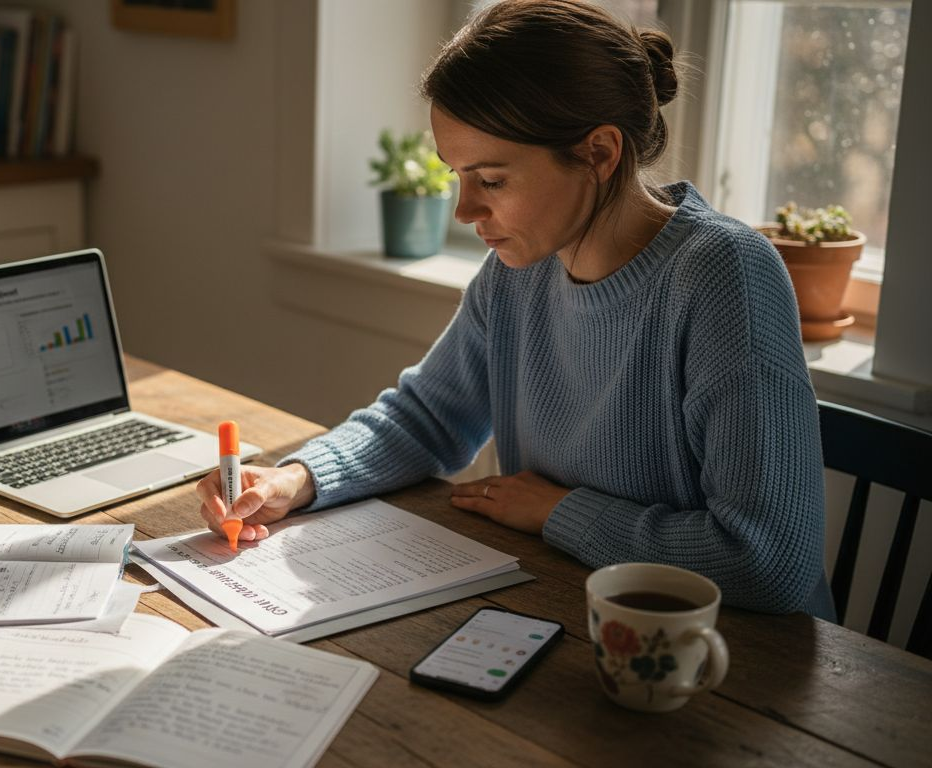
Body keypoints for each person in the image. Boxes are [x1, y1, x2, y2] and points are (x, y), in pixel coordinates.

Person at [195, 0, 834, 618]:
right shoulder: (519, 272)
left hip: (733, 663)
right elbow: (427, 419)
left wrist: (559, 512)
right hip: (568, 604)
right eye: (457, 176)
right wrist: (296, 479)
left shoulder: (725, 277)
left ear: (600, 154)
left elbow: (767, 560)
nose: (465, 211)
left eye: (492, 181)